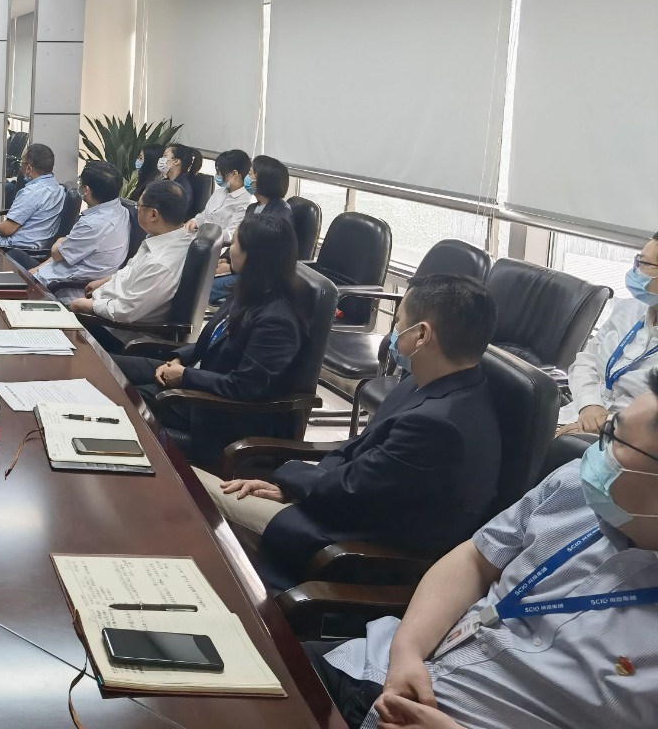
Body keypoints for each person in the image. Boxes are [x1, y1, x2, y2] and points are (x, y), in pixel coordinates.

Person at [307, 374, 658, 729]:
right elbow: (475, 559)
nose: (599, 452)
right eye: (611, 427)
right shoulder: (574, 485)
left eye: (615, 439)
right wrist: (407, 651)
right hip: (378, 669)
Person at [202, 274, 502, 592]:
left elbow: (353, 490)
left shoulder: (438, 426)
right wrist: (297, 487)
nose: (394, 331)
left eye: (399, 322)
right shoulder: (433, 381)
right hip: (336, 507)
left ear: (421, 335)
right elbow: (358, 448)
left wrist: (289, 477)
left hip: (350, 548)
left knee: (197, 492)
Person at [114, 214, 311, 470]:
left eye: (235, 243)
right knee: (111, 366)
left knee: (122, 396)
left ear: (253, 255)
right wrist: (181, 358)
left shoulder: (277, 320)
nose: (230, 250)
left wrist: (185, 376)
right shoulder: (250, 290)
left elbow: (245, 387)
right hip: (202, 376)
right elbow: (216, 339)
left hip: (218, 411)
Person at [557, 232, 658, 437]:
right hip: (577, 412)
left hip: (630, 439)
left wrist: (606, 424)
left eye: (645, 264)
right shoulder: (628, 309)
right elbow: (585, 361)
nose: (636, 270)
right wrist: (589, 405)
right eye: (637, 261)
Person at [67, 179, 193, 328]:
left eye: (139, 206)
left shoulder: (160, 263)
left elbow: (124, 312)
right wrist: (105, 282)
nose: (137, 209)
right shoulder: (164, 238)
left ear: (153, 214)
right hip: (105, 301)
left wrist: (83, 305)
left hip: (116, 329)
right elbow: (132, 272)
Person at [32, 160, 131, 289]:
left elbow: (57, 254)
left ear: (86, 190)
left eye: (80, 183)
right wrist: (38, 268)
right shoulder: (123, 211)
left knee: (14, 260)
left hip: (61, 287)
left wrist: (61, 241)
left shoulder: (92, 224)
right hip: (61, 273)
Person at [209, 153, 291, 305]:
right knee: (202, 277)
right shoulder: (253, 208)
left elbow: (266, 257)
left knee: (206, 288)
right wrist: (225, 259)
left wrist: (231, 268)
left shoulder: (280, 214)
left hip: (260, 277)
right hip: (244, 269)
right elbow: (240, 240)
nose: (246, 177)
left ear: (264, 181)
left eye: (251, 174)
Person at [0, 143, 66, 257]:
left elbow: (7, 230)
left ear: (29, 168)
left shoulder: (32, 193)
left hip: (15, 248)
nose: (21, 167)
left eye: (22, 163)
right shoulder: (60, 189)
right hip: (41, 248)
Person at [189, 149, 252, 246]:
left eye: (219, 172)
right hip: (199, 238)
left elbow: (231, 234)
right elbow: (206, 215)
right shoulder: (219, 192)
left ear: (234, 174)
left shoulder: (246, 202)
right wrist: (195, 221)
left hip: (216, 246)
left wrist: (206, 236)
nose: (217, 175)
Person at [162, 143, 204, 211]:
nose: (161, 159)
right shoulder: (165, 181)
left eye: (165, 156)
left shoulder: (183, 189)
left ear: (176, 161)